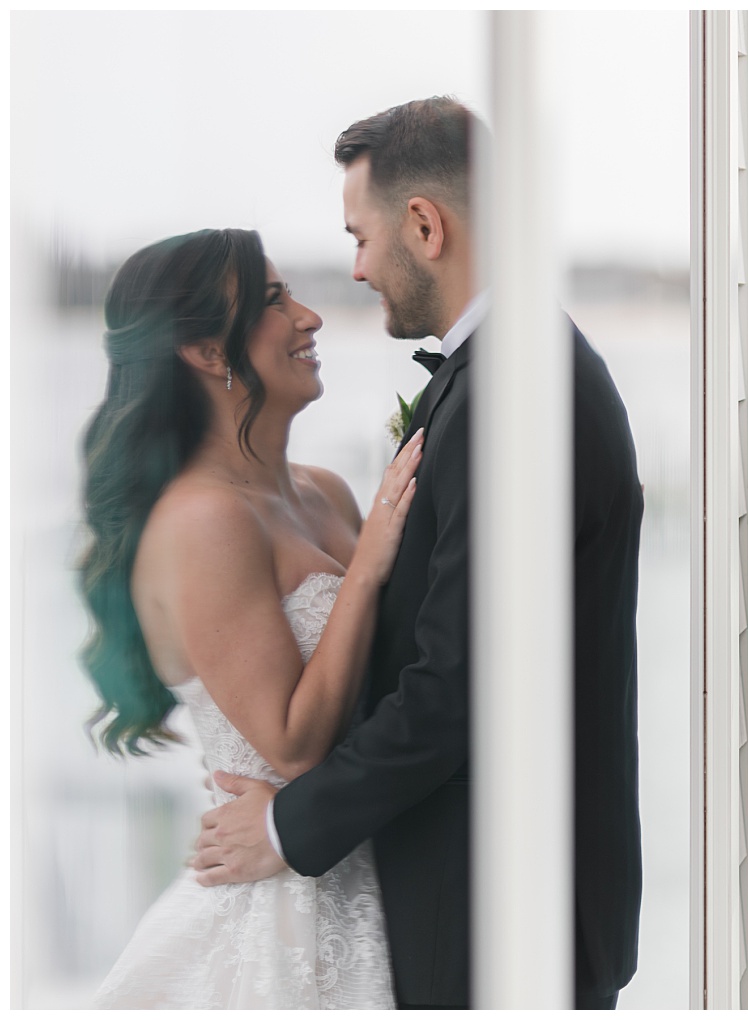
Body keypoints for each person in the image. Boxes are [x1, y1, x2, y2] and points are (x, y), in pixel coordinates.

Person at [189, 97, 644, 1009]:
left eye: (361, 238)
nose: (355, 270)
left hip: (499, 907)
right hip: (501, 894)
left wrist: (284, 825)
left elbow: (454, 692)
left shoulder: (511, 394)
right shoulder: (513, 371)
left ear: (425, 225)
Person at [82, 227, 421, 1008]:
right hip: (286, 913)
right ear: (206, 351)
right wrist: (370, 564)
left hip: (377, 866)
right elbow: (295, 745)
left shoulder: (324, 491)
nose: (310, 316)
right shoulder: (203, 521)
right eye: (273, 300)